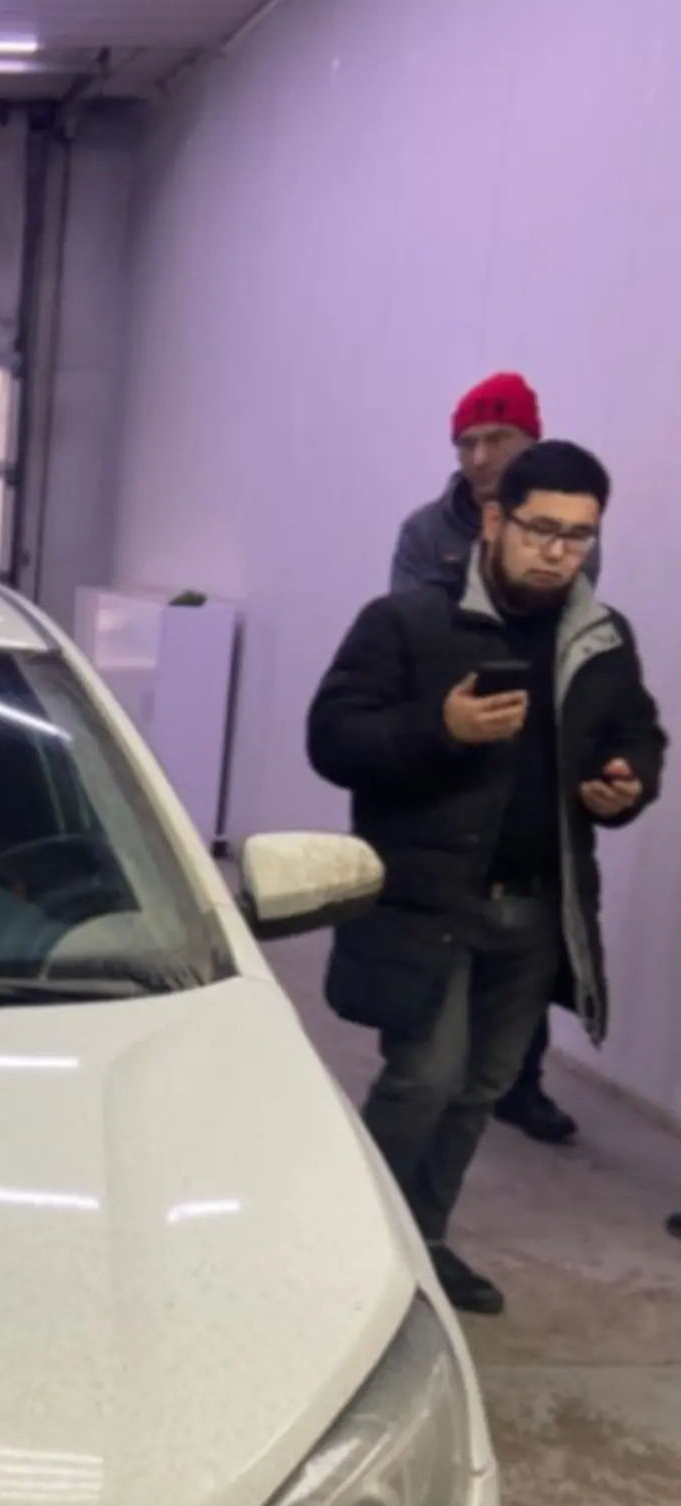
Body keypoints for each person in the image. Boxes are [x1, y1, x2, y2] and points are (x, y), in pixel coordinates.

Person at [310, 441, 665, 1317]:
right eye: (542, 528)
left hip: (539, 909)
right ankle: (352, 1245)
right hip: (429, 904)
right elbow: (334, 739)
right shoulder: (407, 623)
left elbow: (638, 731)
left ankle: (424, 1243)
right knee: (424, 1079)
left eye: (578, 536)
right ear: (497, 520)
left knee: (480, 1088)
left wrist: (628, 780)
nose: (557, 552)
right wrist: (441, 728)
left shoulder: (601, 637)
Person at [392, 372, 595, 1146]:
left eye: (496, 439)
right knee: (441, 930)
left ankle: (520, 1082)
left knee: (529, 928)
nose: (479, 456)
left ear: (529, 442)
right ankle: (420, 1067)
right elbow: (412, 634)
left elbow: (570, 633)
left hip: (531, 755)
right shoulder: (424, 532)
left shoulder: (565, 526)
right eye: (467, 442)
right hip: (448, 750)